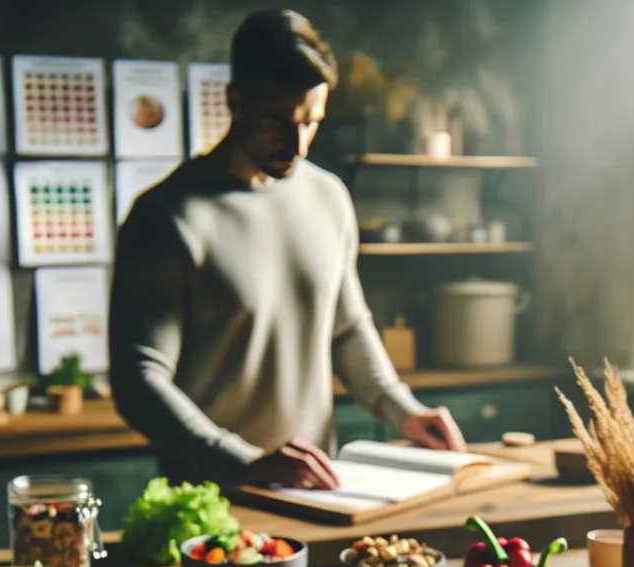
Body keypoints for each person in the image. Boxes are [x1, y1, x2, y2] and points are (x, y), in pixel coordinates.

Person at [109, 8, 465, 491]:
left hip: (318, 492)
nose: (296, 144)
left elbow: (347, 328)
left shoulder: (329, 197)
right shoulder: (167, 216)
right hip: (210, 500)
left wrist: (404, 411)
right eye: (277, 121)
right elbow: (138, 380)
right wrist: (242, 461)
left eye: (311, 122)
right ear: (234, 101)